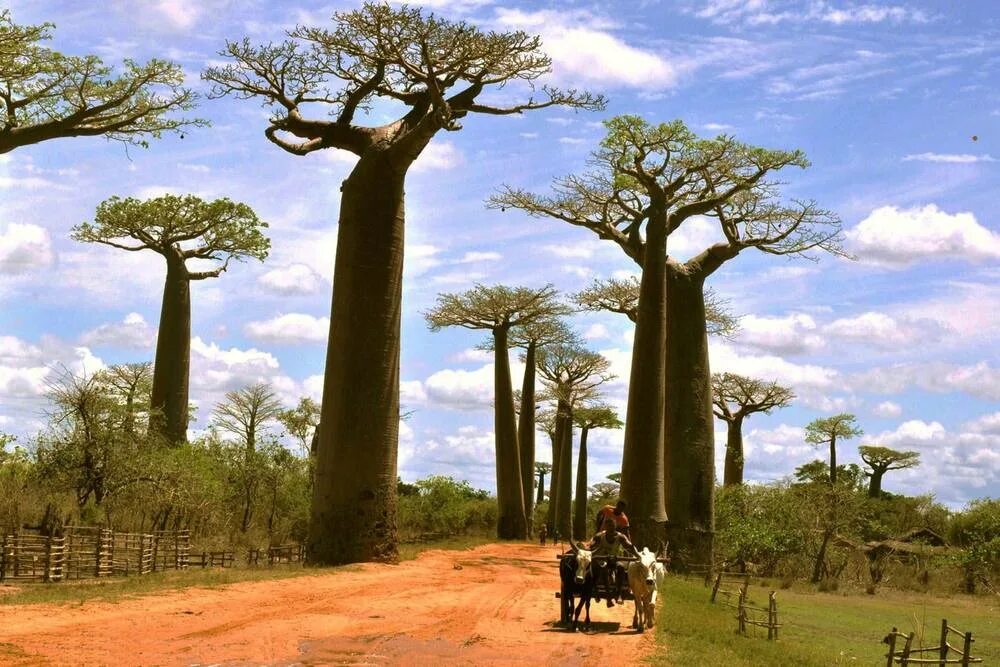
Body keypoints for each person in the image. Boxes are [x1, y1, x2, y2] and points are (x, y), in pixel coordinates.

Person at [588, 516, 638, 607]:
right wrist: (590, 547)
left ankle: (618, 595)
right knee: (603, 568)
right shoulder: (600, 536)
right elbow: (591, 545)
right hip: (602, 560)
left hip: (616, 559)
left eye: (612, 526)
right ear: (605, 527)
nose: (610, 528)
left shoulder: (621, 537)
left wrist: (637, 555)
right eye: (608, 526)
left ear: (615, 526)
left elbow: (629, 546)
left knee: (621, 568)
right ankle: (608, 598)